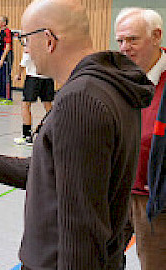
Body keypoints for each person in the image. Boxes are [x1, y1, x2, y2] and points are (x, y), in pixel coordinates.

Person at [0, 0, 154, 269]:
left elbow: (81, 229)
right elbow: (51, 171)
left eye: (25, 39)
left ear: (48, 39)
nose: (26, 49)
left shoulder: (80, 100)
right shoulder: (110, 86)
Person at [115, 7, 166, 270]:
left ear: (157, 36)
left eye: (132, 39)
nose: (125, 47)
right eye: (120, 41)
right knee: (101, 258)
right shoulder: (119, 78)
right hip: (118, 191)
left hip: (155, 202)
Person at [13, 51, 54, 145]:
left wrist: (19, 73)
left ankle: (27, 136)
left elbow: (25, 60)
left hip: (33, 78)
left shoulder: (30, 40)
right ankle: (54, 132)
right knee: (48, 106)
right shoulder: (48, 40)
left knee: (25, 105)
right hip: (48, 77)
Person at [0, 16, 14, 105]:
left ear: (4, 23)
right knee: (0, 76)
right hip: (1, 54)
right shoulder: (1, 32)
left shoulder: (7, 32)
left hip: (7, 55)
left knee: (6, 76)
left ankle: (8, 98)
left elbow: (8, 47)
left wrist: (2, 59)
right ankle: (1, 96)